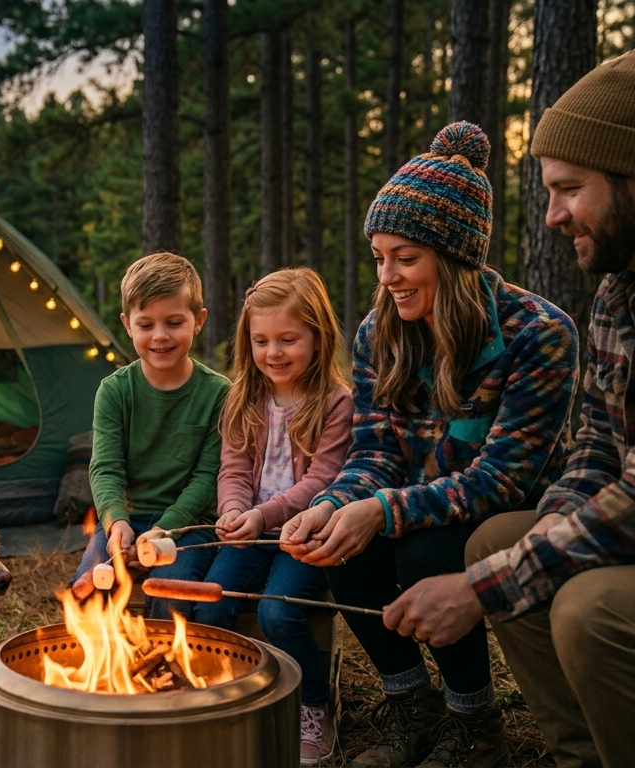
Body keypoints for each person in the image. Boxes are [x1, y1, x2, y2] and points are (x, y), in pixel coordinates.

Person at [387, 49, 635, 768]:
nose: (553, 215)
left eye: (569, 189)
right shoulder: (622, 285)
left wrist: (481, 591)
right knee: (496, 540)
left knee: (594, 611)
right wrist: (519, 551)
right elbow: (597, 450)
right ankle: (585, 757)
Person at [281, 122, 580, 767]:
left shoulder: (540, 333)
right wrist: (336, 504)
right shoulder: (377, 334)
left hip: (511, 510)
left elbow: (501, 478)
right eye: (379, 258)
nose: (387, 276)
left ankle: (475, 723)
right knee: (345, 549)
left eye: (405, 258)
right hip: (415, 496)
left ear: (455, 256)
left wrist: (382, 510)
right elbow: (374, 455)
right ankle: (410, 702)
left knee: (425, 552)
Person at [191, 267, 353, 765]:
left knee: (277, 612)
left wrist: (263, 515)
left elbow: (321, 479)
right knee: (213, 606)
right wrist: (235, 510)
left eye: (288, 339)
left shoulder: (335, 403)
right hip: (253, 530)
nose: (274, 353)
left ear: (318, 337)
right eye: (261, 341)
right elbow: (233, 469)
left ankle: (312, 706)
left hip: (307, 532)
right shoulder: (245, 397)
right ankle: (234, 696)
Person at [74, 252, 229, 619]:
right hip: (129, 520)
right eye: (146, 325)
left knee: (169, 593)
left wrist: (165, 529)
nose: (160, 336)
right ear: (128, 325)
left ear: (198, 321)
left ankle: (167, 672)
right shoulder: (114, 392)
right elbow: (105, 469)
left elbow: (207, 477)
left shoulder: (219, 394)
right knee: (84, 591)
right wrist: (117, 522)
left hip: (190, 526)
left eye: (174, 322)